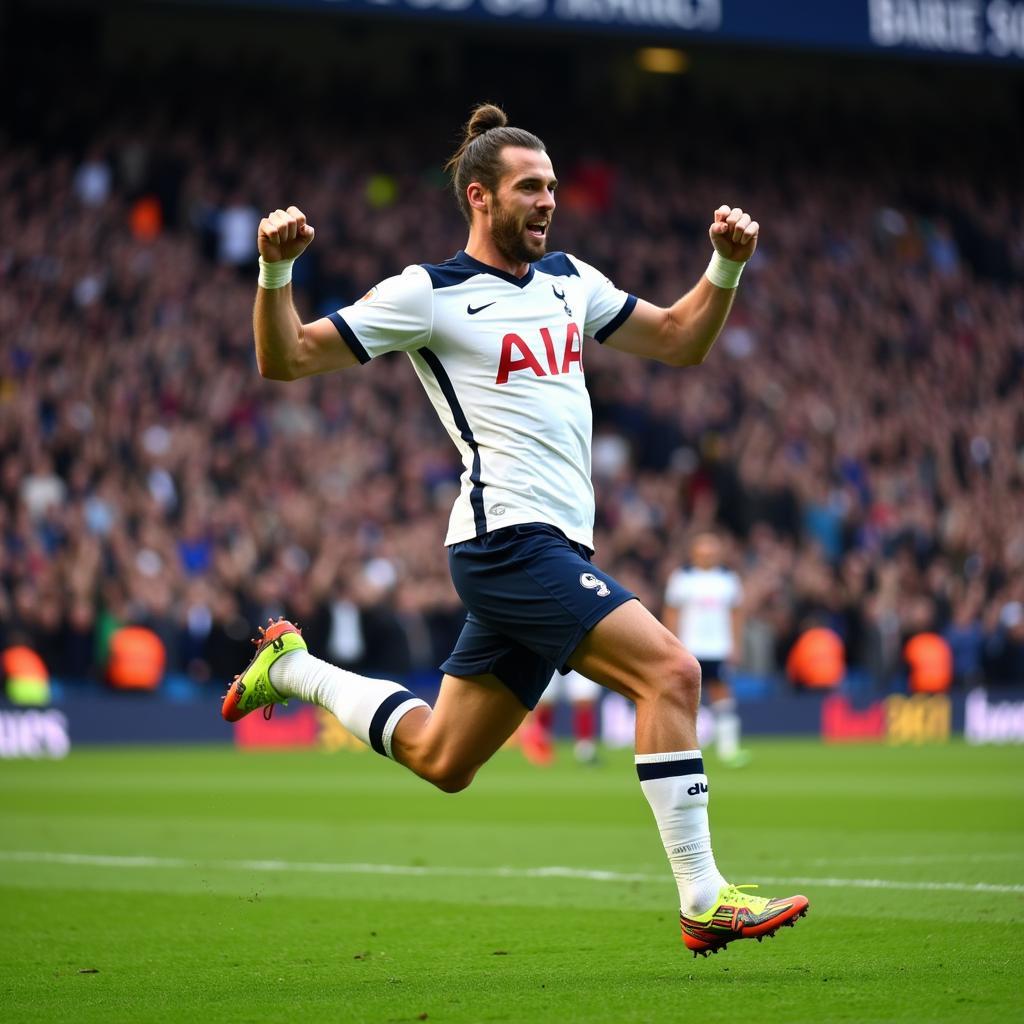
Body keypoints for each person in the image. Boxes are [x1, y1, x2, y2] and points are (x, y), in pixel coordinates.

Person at [223, 104, 808, 957]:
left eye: (553, 189)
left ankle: (295, 668)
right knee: (673, 673)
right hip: (506, 543)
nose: (547, 203)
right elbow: (288, 359)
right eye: (530, 188)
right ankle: (704, 897)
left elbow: (681, 341)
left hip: (556, 548)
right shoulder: (429, 293)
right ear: (479, 197)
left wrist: (725, 264)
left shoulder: (573, 280)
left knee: (442, 758)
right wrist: (276, 275)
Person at [662, 532, 751, 767]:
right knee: (686, 697)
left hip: (718, 647)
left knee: (722, 694)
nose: (707, 556)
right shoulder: (682, 578)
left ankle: (728, 749)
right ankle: (684, 748)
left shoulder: (728, 579)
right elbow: (672, 613)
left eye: (711, 552)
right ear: (694, 554)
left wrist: (735, 644)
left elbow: (737, 614)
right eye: (703, 552)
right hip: (689, 647)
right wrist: (672, 644)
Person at [519, 667, 602, 765]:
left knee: (585, 697)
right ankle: (539, 741)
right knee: (546, 700)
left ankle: (585, 749)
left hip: (578, 653)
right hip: (551, 655)